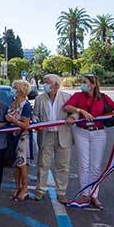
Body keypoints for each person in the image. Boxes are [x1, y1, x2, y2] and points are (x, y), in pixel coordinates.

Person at [64, 74, 114, 209]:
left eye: (85, 82)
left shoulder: (103, 97)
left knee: (96, 166)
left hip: (99, 133)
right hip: (81, 132)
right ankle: (85, 194)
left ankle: (94, 195)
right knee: (84, 165)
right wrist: (80, 111)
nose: (82, 84)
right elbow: (67, 107)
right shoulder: (78, 96)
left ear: (93, 84)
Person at [34, 74, 76, 204]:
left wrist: (72, 118)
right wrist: (36, 123)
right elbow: (35, 115)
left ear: (56, 85)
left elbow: (75, 112)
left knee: (63, 166)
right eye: (44, 82)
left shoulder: (67, 97)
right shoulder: (39, 98)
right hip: (46, 135)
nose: (44, 84)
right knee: (43, 164)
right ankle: (40, 190)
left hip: (63, 134)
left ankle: (61, 192)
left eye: (47, 82)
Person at [7, 80, 33, 202]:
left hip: (22, 138)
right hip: (13, 137)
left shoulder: (26, 106)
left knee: (22, 164)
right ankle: (17, 187)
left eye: (14, 88)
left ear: (21, 91)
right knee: (16, 165)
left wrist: (13, 120)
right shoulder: (14, 103)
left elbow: (26, 125)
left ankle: (25, 189)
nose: (13, 90)